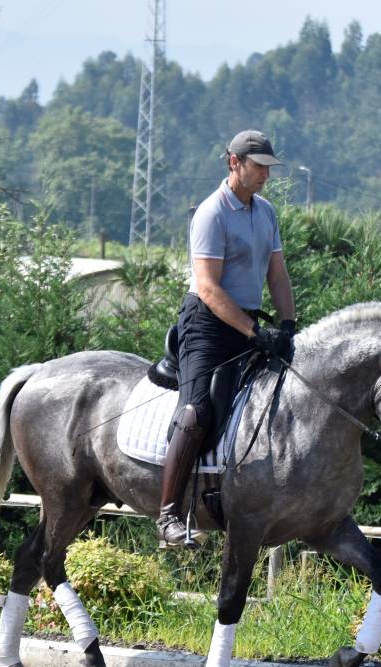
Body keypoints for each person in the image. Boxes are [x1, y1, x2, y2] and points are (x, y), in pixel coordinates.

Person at [156, 129, 297, 547]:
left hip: (250, 325)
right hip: (208, 327)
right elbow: (210, 289)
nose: (265, 176)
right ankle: (168, 516)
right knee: (197, 411)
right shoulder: (211, 214)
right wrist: (256, 333)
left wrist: (287, 326)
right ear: (233, 162)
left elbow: (278, 274)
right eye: (259, 167)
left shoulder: (266, 212)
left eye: (269, 169)